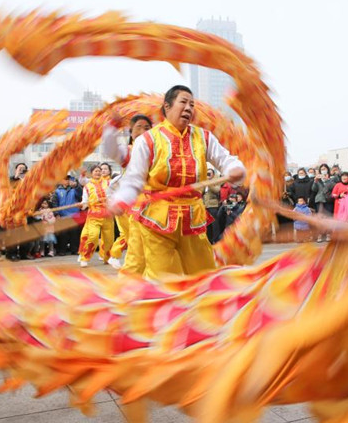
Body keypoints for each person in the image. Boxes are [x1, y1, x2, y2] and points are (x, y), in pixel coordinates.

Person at [109, 85, 245, 279]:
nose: (189, 108)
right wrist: (122, 198)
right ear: (167, 106)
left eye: (192, 104)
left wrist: (234, 169)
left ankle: (201, 306)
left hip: (193, 217)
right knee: (164, 279)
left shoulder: (203, 137)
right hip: (157, 219)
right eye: (183, 102)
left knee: (204, 276)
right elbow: (133, 180)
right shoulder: (148, 140)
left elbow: (225, 159)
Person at [101, 113, 153, 274]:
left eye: (147, 128)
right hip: (133, 206)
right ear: (130, 132)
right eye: (138, 127)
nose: (143, 131)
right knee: (134, 243)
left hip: (158, 207)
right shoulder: (130, 151)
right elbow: (111, 150)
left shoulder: (159, 149)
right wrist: (111, 129)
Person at [78, 165, 114, 267]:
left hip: (108, 215)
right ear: (92, 173)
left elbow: (113, 195)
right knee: (93, 236)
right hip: (94, 216)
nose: (98, 173)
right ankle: (85, 258)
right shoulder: (87, 186)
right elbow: (85, 202)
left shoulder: (108, 183)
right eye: (96, 171)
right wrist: (83, 204)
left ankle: (107, 258)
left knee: (109, 240)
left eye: (100, 171)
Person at [54, 173, 83, 256]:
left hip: (74, 215)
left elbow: (80, 195)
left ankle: (75, 249)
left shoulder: (75, 189)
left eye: (67, 179)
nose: (66, 181)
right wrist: (56, 214)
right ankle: (62, 250)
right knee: (63, 234)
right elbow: (54, 203)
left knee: (75, 234)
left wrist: (76, 186)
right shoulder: (57, 191)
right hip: (62, 215)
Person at [202, 168, 222, 243]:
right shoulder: (205, 182)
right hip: (205, 206)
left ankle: (216, 239)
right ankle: (209, 239)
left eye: (209, 174)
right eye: (207, 173)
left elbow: (217, 190)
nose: (208, 175)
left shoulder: (215, 181)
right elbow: (202, 192)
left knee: (214, 223)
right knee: (208, 224)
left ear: (213, 174)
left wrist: (210, 183)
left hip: (213, 206)